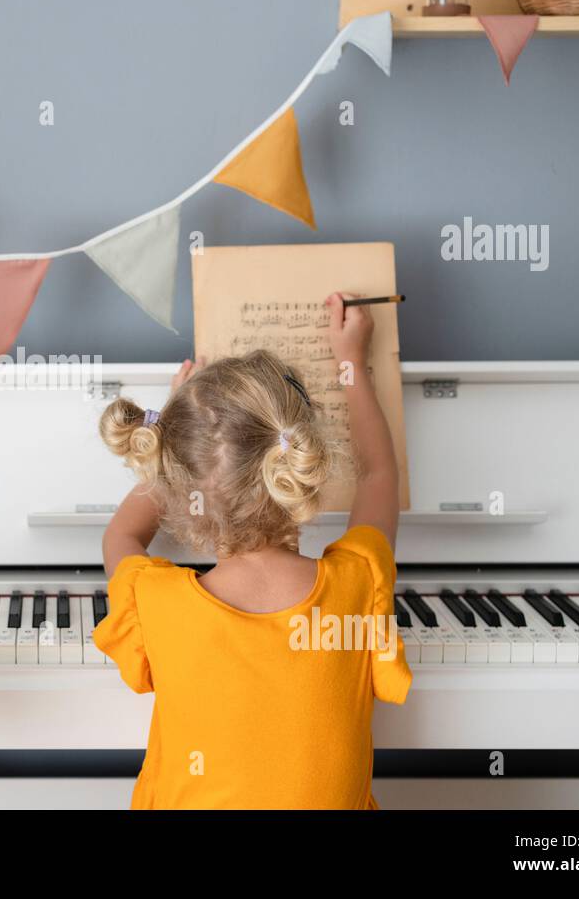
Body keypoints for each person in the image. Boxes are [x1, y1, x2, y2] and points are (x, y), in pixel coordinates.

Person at [94, 292, 410, 809]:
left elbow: (120, 537)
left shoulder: (155, 600)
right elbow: (379, 475)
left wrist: (171, 434)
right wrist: (352, 361)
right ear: (301, 466)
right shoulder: (358, 581)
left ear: (176, 487)